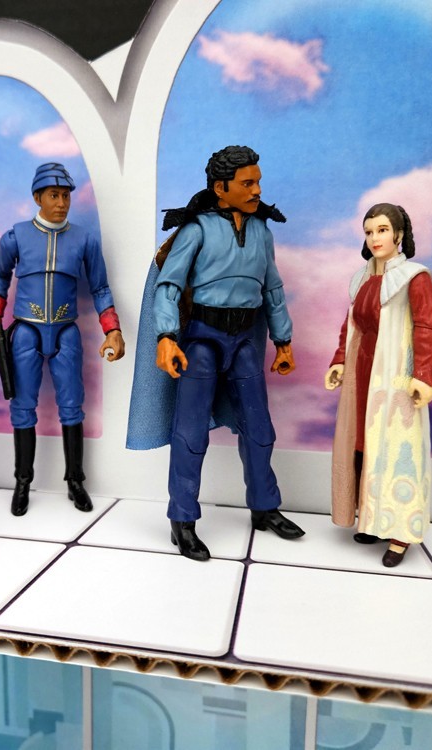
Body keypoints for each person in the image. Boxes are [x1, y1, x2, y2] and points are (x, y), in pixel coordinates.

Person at [141, 145, 305, 561]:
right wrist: (166, 336)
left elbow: (272, 289)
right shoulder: (196, 230)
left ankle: (264, 506)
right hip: (202, 339)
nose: (257, 190)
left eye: (258, 182)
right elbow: (169, 285)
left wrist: (283, 340)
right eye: (247, 183)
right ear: (220, 187)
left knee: (260, 429)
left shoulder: (262, 231)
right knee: (190, 431)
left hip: (245, 340)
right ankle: (182, 518)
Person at [0, 163, 124, 516]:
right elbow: (0, 277)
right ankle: (22, 481)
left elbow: (100, 288)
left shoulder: (85, 240)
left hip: (66, 331)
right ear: (38, 198)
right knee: (22, 406)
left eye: (65, 196)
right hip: (26, 331)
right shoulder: (15, 237)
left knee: (73, 405)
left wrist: (112, 329)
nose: (61, 203)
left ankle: (75, 480)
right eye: (53, 195)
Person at [324, 203, 432, 567]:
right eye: (369, 231)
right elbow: (350, 324)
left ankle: (400, 532)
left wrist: (423, 374)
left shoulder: (414, 277)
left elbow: (428, 325)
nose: (375, 238)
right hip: (363, 373)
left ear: (399, 234)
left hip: (394, 374)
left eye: (383, 230)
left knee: (396, 449)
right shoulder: (361, 278)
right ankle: (372, 519)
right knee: (362, 446)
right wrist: (340, 359)